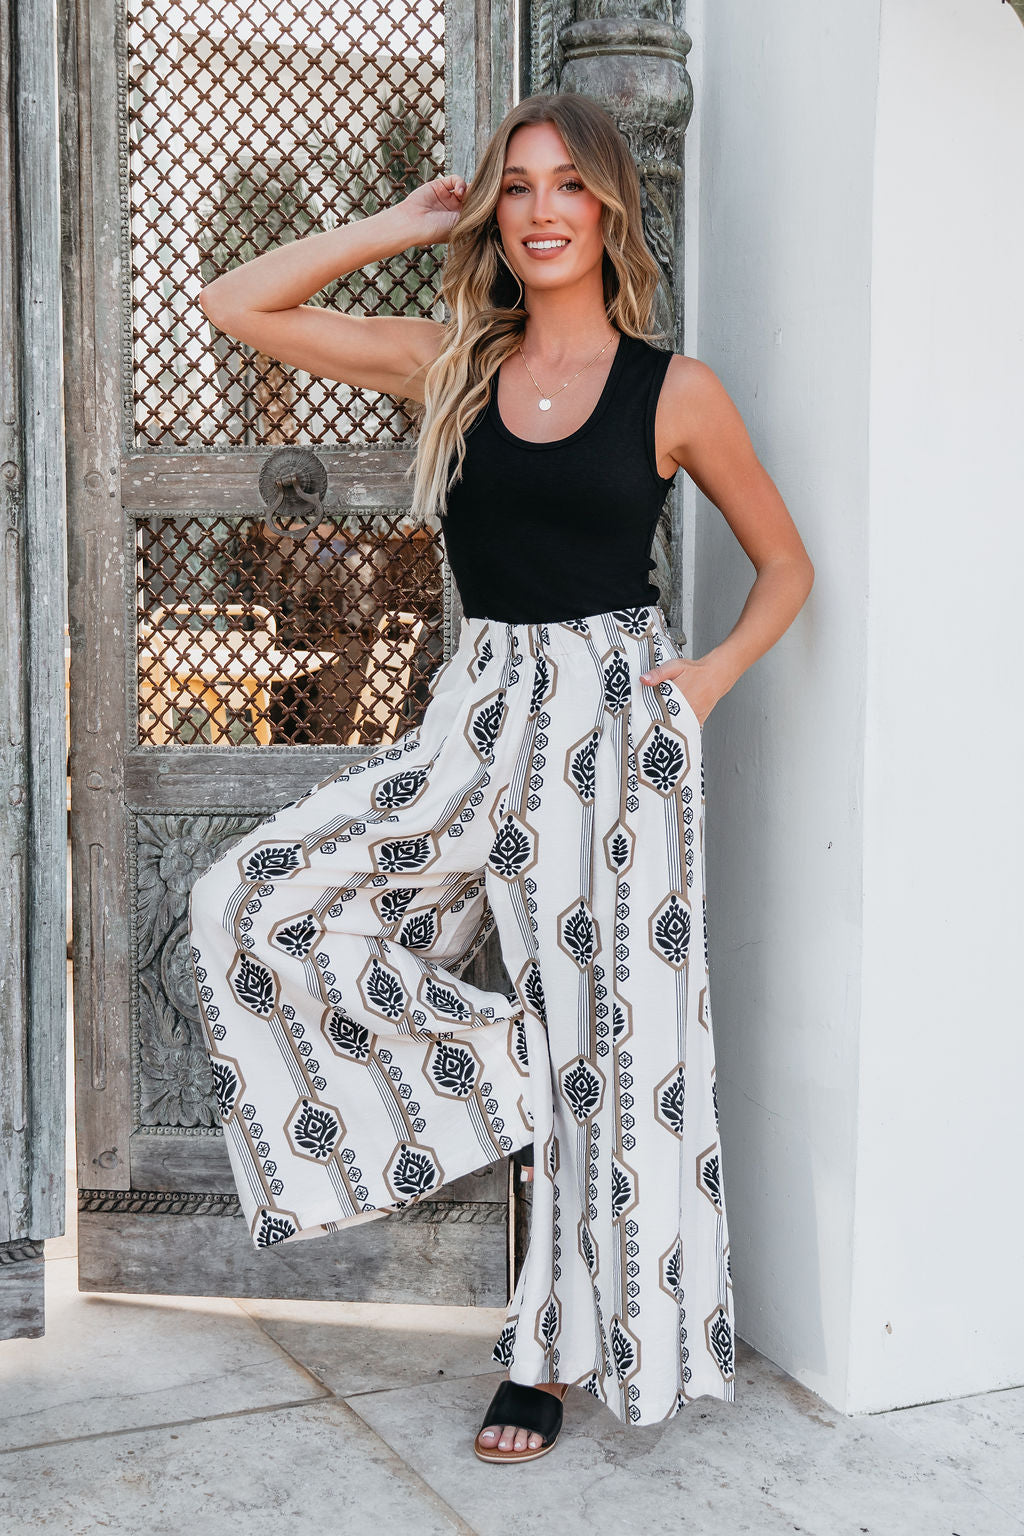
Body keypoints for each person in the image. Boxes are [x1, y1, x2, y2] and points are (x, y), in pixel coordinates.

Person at [187, 90, 814, 1465]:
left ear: (609, 209)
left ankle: (543, 1361)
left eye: (567, 184)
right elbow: (236, 304)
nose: (540, 210)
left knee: (619, 1049)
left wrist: (706, 682)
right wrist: (398, 225)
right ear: (492, 212)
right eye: (516, 186)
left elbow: (787, 566)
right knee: (253, 899)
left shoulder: (675, 392)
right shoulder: (451, 363)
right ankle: (517, 1066)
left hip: (616, 728)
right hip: (477, 715)